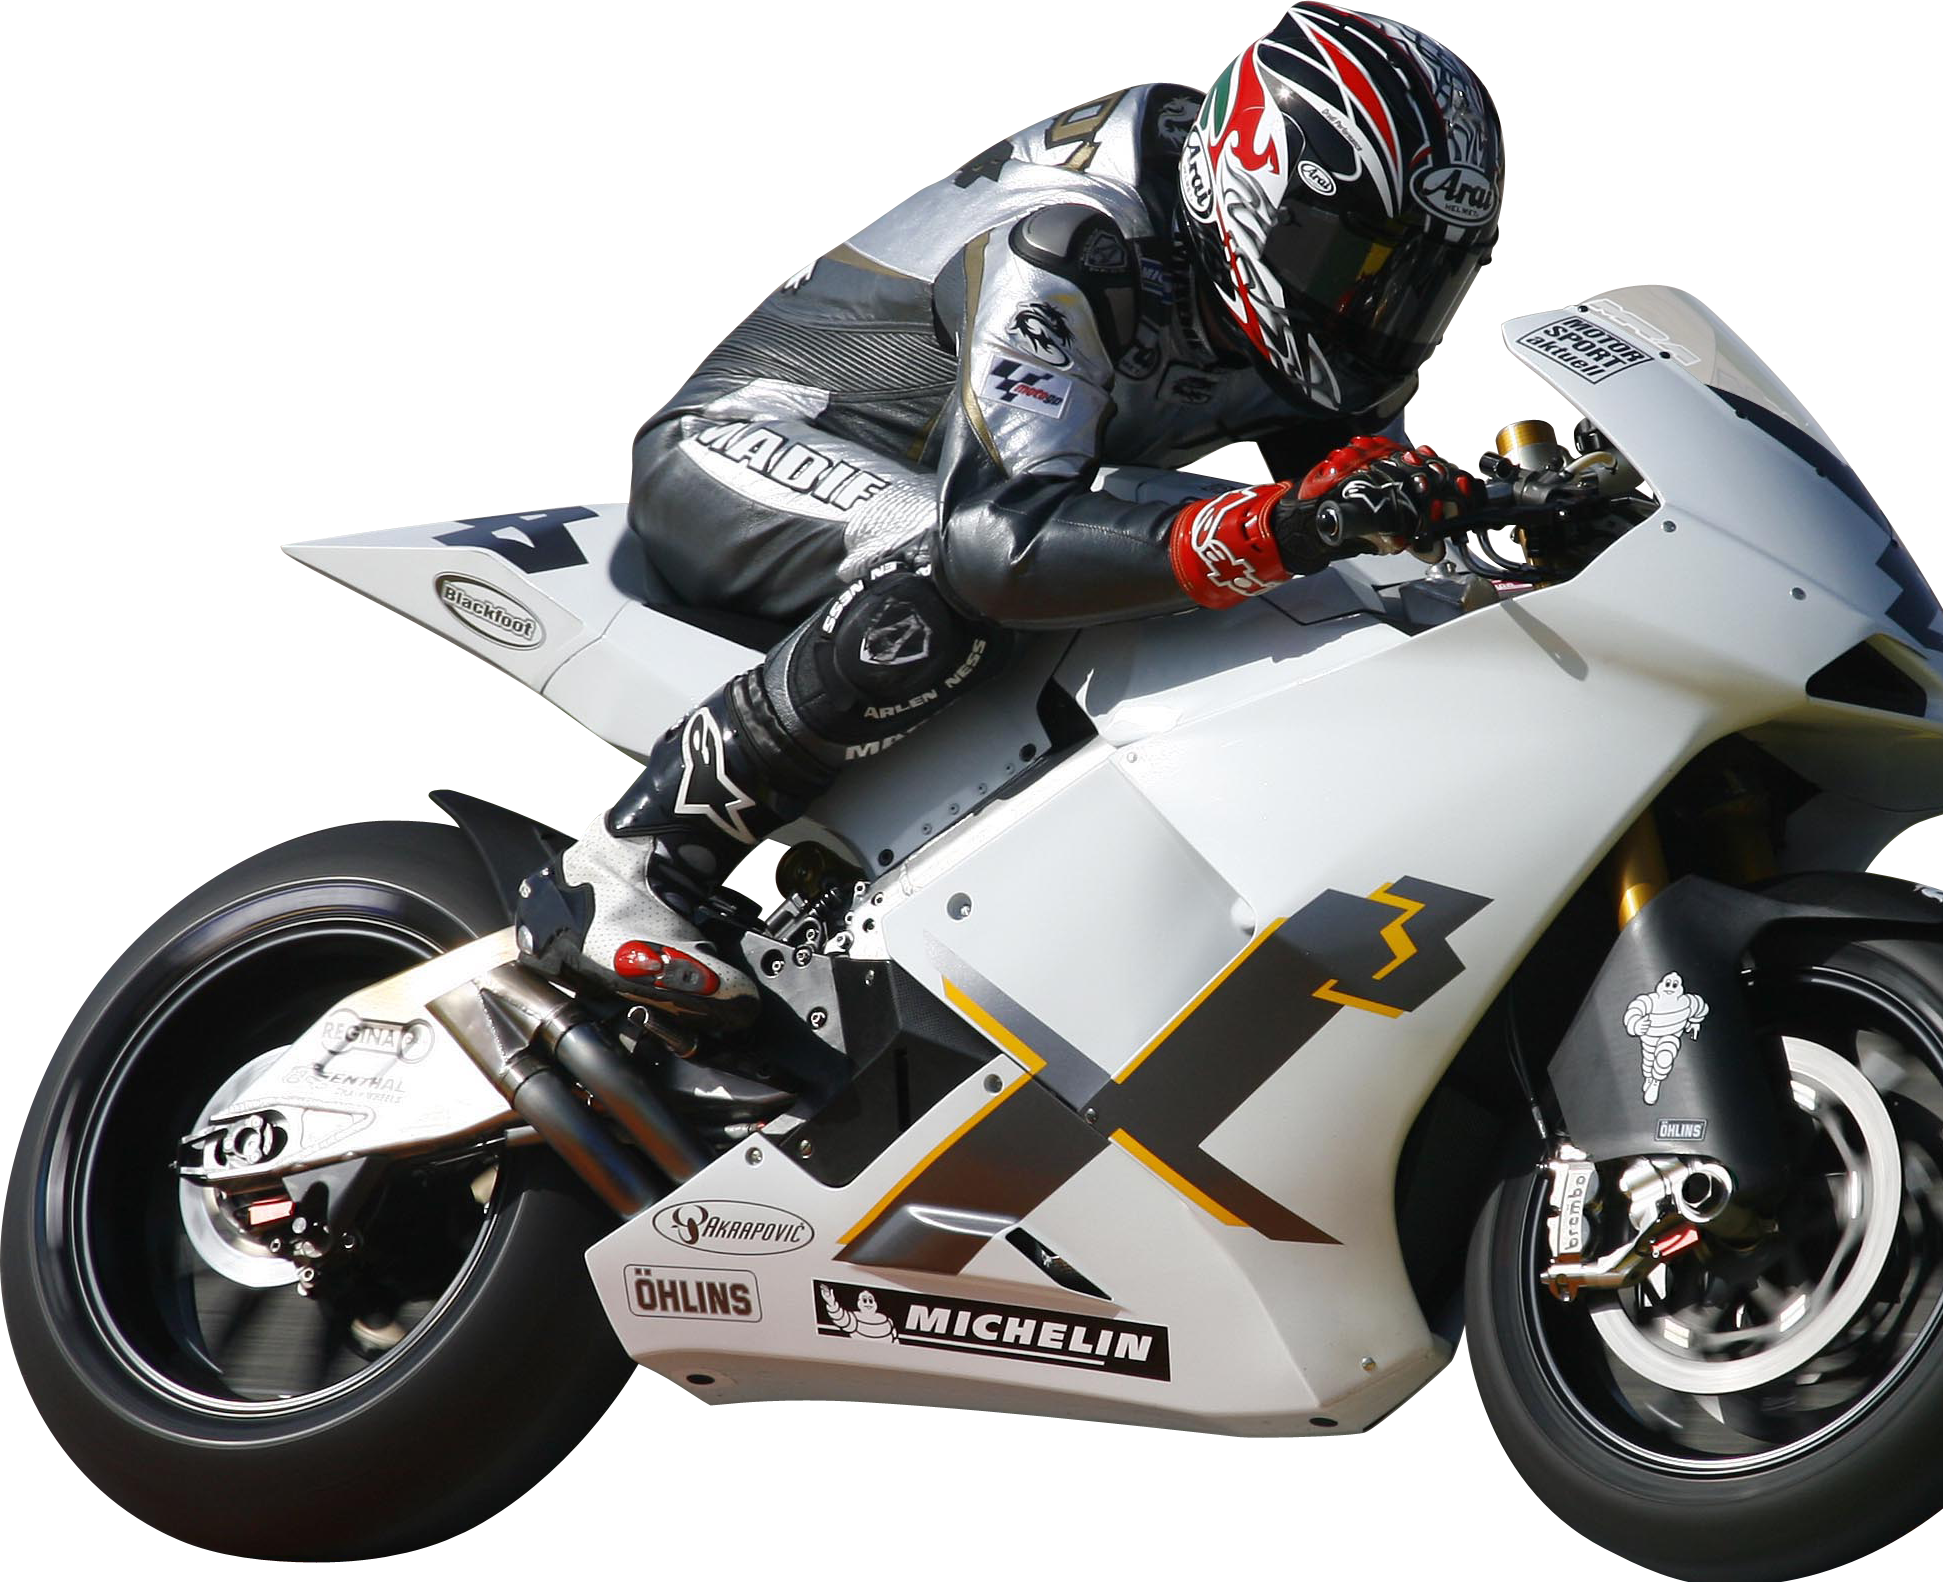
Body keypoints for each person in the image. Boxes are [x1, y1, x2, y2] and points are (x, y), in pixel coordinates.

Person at [515, 3, 1505, 1021]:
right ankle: (626, 867)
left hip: (977, 481)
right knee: (982, 563)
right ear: (1255, 194)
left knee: (1240, 570)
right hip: (751, 443)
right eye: (1356, 267)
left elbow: (1370, 518)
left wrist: (1518, 537)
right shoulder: (1076, 236)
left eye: (1417, 282)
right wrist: (1281, 527)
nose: (1373, 310)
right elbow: (999, 544)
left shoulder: (1305, 312)